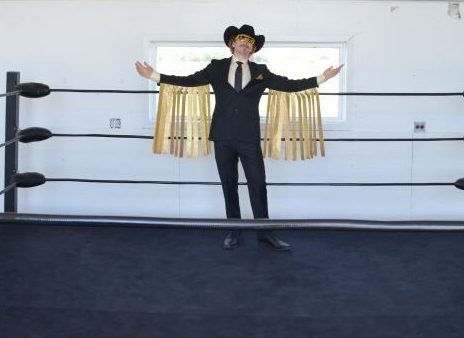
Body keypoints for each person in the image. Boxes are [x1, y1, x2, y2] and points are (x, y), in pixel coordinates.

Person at [135, 24, 343, 251]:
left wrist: (323, 77)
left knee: (258, 184)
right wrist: (154, 75)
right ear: (232, 43)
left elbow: (290, 85)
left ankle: (265, 234)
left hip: (248, 138)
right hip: (222, 136)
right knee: (229, 185)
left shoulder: (261, 71)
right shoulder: (216, 67)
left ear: (252, 50)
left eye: (250, 41)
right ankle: (234, 230)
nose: (245, 42)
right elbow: (188, 81)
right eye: (241, 38)